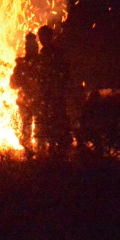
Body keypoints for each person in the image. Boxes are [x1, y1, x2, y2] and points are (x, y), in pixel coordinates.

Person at [34, 24, 72, 157]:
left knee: (54, 121)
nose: (41, 39)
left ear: (49, 37)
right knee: (51, 121)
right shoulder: (49, 52)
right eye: (40, 37)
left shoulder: (52, 53)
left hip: (54, 94)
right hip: (50, 94)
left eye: (43, 36)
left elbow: (62, 74)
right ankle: (53, 150)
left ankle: (58, 150)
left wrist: (54, 88)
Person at [10, 32, 41, 154]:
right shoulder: (38, 63)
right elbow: (13, 84)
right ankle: (33, 152)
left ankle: (32, 152)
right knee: (35, 127)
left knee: (32, 127)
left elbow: (13, 84)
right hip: (33, 100)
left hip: (33, 100)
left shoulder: (24, 64)